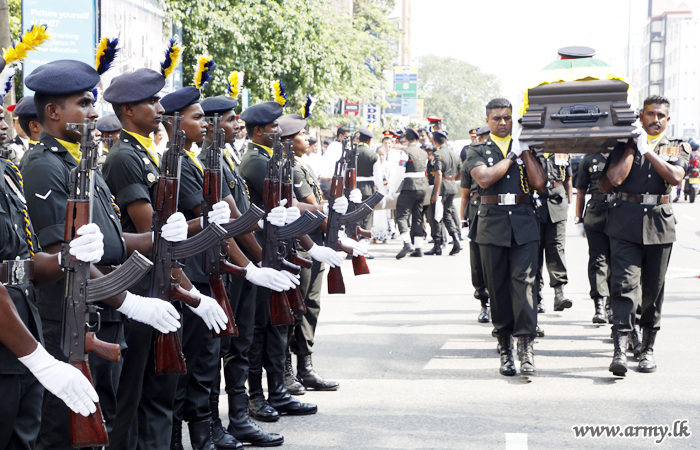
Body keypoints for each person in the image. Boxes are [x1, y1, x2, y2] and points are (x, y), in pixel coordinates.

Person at [21, 59, 186, 450]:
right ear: (53, 112)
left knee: (105, 419)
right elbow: (62, 255)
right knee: (66, 428)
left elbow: (111, 242)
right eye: (84, 103)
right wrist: (129, 300)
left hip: (100, 309)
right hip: (69, 315)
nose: (94, 112)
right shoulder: (45, 166)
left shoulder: (80, 162)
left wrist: (160, 237)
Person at [101, 70, 244, 450]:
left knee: (161, 391)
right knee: (140, 398)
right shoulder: (124, 158)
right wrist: (189, 290)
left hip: (161, 280)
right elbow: (154, 234)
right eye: (152, 102)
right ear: (129, 109)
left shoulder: (145, 153)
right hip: (142, 285)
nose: (160, 108)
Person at [0, 102, 103, 450]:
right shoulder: (38, 165)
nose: (2, 116)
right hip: (19, 345)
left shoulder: (7, 172)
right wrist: (41, 361)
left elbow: (21, 266)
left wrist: (68, 257)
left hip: (21, 337)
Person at [239, 101, 345, 435]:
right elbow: (282, 204)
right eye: (273, 128)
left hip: (278, 248)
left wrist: (313, 245)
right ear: (260, 131)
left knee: (277, 324)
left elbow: (285, 205)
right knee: (259, 328)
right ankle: (255, 397)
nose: (278, 132)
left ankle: (279, 391)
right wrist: (317, 212)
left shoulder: (271, 158)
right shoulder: (255, 161)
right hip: (261, 251)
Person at [199, 94, 300, 449]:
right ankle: (219, 422)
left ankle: (238, 418)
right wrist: (257, 265)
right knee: (220, 351)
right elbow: (235, 222)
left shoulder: (225, 159)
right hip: (227, 264)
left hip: (239, 263)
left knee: (240, 345)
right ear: (211, 124)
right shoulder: (209, 161)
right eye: (228, 119)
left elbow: (243, 215)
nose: (235, 124)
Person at [599, 95, 689, 376]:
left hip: (660, 225)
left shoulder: (676, 147)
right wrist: (631, 146)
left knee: (653, 291)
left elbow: (675, 177)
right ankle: (620, 349)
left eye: (661, 115)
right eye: (651, 114)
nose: (656, 119)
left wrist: (647, 151)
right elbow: (613, 181)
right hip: (625, 222)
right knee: (624, 287)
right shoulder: (624, 145)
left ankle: (647, 348)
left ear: (668, 119)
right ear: (641, 116)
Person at [277, 114, 363, 396]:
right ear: (289, 141)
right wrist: (338, 238)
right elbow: (314, 210)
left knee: (310, 306)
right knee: (297, 308)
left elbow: (319, 206)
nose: (308, 139)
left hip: (313, 243)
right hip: (302, 245)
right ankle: (289, 371)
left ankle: (305, 367)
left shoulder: (302, 165)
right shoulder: (292, 168)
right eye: (302, 135)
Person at [466, 98, 546, 377]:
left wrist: (525, 153)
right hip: (491, 224)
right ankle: (504, 347)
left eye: (507, 118)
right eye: (497, 118)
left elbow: (539, 183)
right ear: (487, 120)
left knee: (525, 285)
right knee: (497, 287)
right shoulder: (475, 150)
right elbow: (485, 179)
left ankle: (526, 348)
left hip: (524, 221)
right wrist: (512, 156)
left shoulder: (527, 148)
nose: (503, 122)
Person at [533, 151, 573, 314]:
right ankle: (537, 296)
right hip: (537, 203)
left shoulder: (561, 152)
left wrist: (570, 203)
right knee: (534, 250)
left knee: (556, 248)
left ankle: (559, 294)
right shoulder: (532, 151)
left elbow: (568, 179)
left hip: (558, 203)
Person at [574, 151, 612, 324]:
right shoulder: (590, 159)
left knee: (619, 260)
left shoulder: (624, 153)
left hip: (620, 211)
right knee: (598, 260)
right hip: (596, 212)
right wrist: (578, 219)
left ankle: (613, 304)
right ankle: (599, 305)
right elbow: (581, 191)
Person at [460, 125, 491, 322]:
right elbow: (464, 194)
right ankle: (484, 303)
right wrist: (463, 221)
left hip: (494, 210)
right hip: (475, 211)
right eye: (482, 137)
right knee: (478, 262)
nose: (484, 140)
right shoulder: (470, 161)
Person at [394, 128, 429, 258]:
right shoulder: (424, 153)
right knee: (418, 217)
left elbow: (399, 174)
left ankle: (407, 243)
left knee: (401, 215)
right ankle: (418, 248)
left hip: (409, 187)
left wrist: (392, 191)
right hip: (422, 187)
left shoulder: (405, 153)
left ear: (406, 140)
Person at [427, 130, 461, 256]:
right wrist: (452, 180)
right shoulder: (454, 153)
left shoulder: (438, 154)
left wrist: (436, 193)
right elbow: (460, 171)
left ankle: (441, 244)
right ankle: (451, 240)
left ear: (435, 142)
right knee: (446, 213)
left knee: (438, 215)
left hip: (442, 187)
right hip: (452, 185)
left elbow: (439, 173)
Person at [355, 128, 379, 256]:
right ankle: (363, 249)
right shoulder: (372, 155)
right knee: (367, 219)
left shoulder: (350, 153)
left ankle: (352, 247)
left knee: (353, 218)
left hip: (352, 189)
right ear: (369, 140)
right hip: (368, 189)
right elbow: (378, 177)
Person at [318, 126, 350, 199]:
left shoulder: (336, 145)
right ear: (341, 136)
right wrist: (338, 184)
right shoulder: (337, 146)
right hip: (331, 181)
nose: (348, 139)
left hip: (330, 180)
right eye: (347, 137)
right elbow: (335, 167)